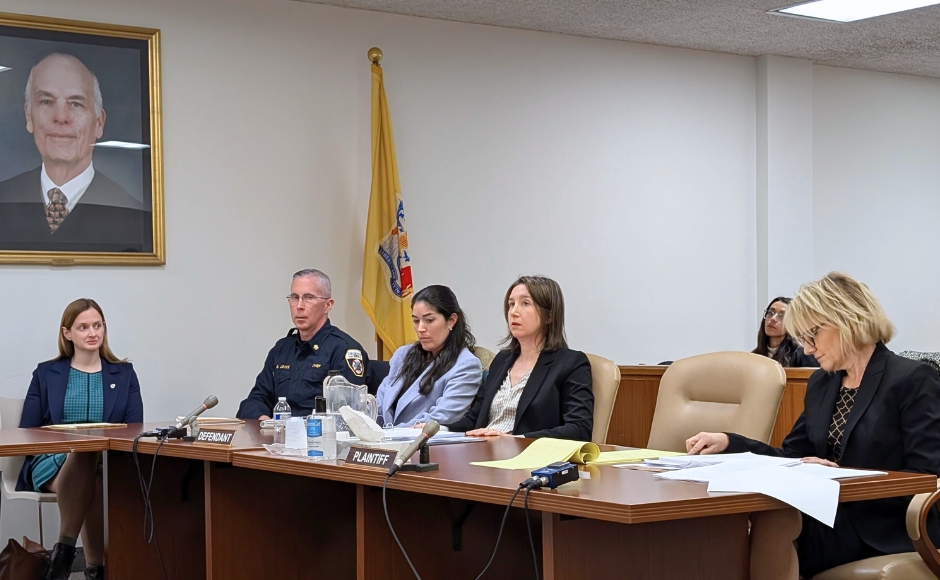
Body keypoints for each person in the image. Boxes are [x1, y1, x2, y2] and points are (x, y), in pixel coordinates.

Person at [686, 272, 940, 580]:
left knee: (777, 521)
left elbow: (927, 476)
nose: (807, 349)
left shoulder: (912, 379)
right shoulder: (822, 382)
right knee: (739, 526)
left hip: (886, 524)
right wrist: (730, 443)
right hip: (830, 515)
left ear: (847, 320)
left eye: (812, 335)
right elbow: (793, 456)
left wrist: (839, 478)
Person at [18, 299, 143, 580]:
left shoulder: (124, 374)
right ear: (67, 333)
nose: (92, 333)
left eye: (97, 325)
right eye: (83, 327)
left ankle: (65, 558)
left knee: (93, 465)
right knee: (87, 453)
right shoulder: (46, 373)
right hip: (52, 460)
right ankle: (89, 565)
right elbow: (28, 430)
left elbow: (133, 428)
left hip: (104, 463)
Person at [0, 53, 150, 253]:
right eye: (46, 102)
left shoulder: (134, 218)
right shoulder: (4, 196)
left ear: (99, 122)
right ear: (29, 116)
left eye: (76, 104)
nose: (61, 117)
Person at [447, 275, 594, 440]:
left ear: (550, 315)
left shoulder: (571, 363)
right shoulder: (502, 360)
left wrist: (516, 439)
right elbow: (474, 420)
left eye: (525, 303)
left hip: (526, 452)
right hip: (483, 448)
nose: (514, 312)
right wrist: (438, 429)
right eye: (511, 304)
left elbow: (579, 429)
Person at [236, 269, 370, 419]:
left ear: (328, 305)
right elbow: (255, 400)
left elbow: (348, 413)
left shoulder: (344, 350)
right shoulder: (282, 349)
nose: (299, 306)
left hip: (318, 432)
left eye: (308, 298)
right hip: (278, 432)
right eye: (294, 297)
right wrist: (266, 422)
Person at [376, 285, 482, 427]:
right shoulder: (403, 355)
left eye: (429, 320)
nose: (420, 329)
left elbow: (441, 417)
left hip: (422, 440)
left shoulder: (466, 365)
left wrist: (390, 434)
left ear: (452, 320)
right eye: (416, 321)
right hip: (383, 438)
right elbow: (379, 405)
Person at [752, 296, 818, 367]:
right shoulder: (754, 356)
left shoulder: (802, 355)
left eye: (782, 316)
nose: (773, 318)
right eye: (770, 313)